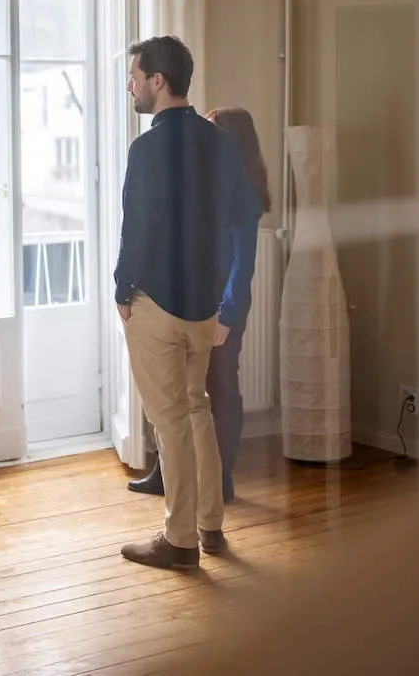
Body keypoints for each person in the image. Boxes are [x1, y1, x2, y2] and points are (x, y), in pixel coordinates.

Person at [114, 36, 257, 570]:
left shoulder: (147, 148)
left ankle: (178, 541)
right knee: (197, 409)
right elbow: (242, 219)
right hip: (204, 306)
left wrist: (121, 289)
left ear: (158, 81)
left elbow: (138, 226)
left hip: (156, 303)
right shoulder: (220, 143)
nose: (130, 84)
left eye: (135, 75)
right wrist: (226, 299)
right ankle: (211, 525)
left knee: (171, 419)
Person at [128, 106, 270, 503]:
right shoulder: (209, 188)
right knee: (178, 391)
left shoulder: (243, 193)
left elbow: (243, 266)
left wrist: (226, 315)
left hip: (223, 307)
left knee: (219, 389)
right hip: (195, 299)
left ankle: (221, 479)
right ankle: (167, 473)